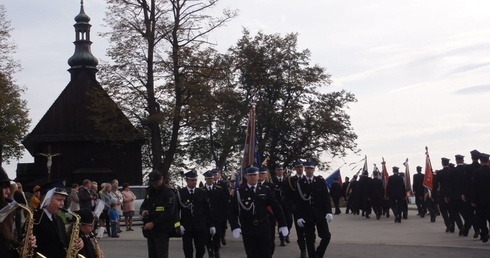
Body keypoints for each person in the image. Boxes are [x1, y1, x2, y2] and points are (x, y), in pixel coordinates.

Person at [229, 166, 288, 258]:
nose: (253, 177)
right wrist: (235, 226)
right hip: (248, 228)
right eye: (250, 175)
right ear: (246, 177)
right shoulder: (239, 192)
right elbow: (232, 211)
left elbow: (276, 207)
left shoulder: (265, 190)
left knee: (266, 253)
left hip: (263, 226)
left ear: (258, 176)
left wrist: (282, 224)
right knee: (251, 254)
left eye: (255, 175)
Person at [293, 160, 333, 258]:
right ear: (305, 169)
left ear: (314, 169)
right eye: (307, 168)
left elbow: (325, 198)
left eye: (311, 168)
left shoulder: (320, 181)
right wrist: (298, 217)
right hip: (307, 215)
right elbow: (297, 202)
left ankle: (318, 254)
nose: (309, 171)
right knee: (310, 240)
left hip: (320, 214)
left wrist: (328, 212)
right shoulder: (299, 183)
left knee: (326, 236)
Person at [33, 183, 83, 257]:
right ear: (46, 199)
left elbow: (63, 243)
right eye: (59, 200)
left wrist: (77, 243)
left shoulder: (58, 219)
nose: (62, 204)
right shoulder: (36, 219)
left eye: (63, 200)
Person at [140, 170, 183, 258]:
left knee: (161, 254)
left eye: (156, 182)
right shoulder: (150, 191)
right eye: (153, 183)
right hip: (150, 229)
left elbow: (168, 213)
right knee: (152, 254)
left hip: (162, 229)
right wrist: (143, 211)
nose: (155, 185)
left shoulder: (168, 192)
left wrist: (154, 223)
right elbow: (144, 205)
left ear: (161, 179)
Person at [0, 167, 37, 258]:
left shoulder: (5, 218)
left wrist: (23, 246)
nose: (8, 192)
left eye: (8, 187)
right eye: (4, 187)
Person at [177, 170, 213, 258]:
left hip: (200, 226)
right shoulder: (180, 193)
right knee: (188, 249)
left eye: (195, 180)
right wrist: (178, 224)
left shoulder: (201, 192)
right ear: (187, 180)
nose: (194, 182)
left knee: (201, 249)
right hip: (186, 226)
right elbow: (176, 211)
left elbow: (207, 210)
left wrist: (211, 225)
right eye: (192, 180)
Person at [284, 159, 307, 258]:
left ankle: (309, 245)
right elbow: (287, 196)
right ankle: (303, 249)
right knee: (300, 231)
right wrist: (291, 207)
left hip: (307, 209)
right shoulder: (290, 181)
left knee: (309, 230)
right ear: (295, 168)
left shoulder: (307, 179)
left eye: (301, 167)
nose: (300, 169)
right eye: (298, 167)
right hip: (297, 209)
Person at [202, 170, 228, 258]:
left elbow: (224, 203)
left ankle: (216, 250)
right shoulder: (202, 191)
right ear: (205, 179)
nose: (210, 180)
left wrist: (224, 215)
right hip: (205, 217)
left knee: (217, 235)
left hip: (217, 216)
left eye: (212, 179)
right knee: (206, 235)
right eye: (209, 179)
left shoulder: (218, 189)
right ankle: (210, 250)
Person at [271, 163, 292, 246]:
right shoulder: (273, 180)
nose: (280, 171)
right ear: (276, 171)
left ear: (283, 171)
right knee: (280, 221)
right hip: (278, 203)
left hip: (286, 204)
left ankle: (287, 233)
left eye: (281, 170)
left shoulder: (287, 180)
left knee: (289, 220)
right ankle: (282, 238)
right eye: (278, 170)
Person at [471, 152, 490, 243]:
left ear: (481, 161)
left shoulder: (476, 172)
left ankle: (485, 233)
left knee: (481, 218)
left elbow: (474, 187)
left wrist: (473, 200)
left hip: (480, 200)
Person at [213, 170, 230, 246]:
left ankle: (222, 236)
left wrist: (226, 208)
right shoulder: (210, 183)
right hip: (213, 208)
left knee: (222, 224)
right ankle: (217, 239)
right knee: (216, 224)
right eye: (213, 174)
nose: (214, 176)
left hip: (222, 208)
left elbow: (227, 196)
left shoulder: (223, 184)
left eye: (216, 174)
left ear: (219, 175)